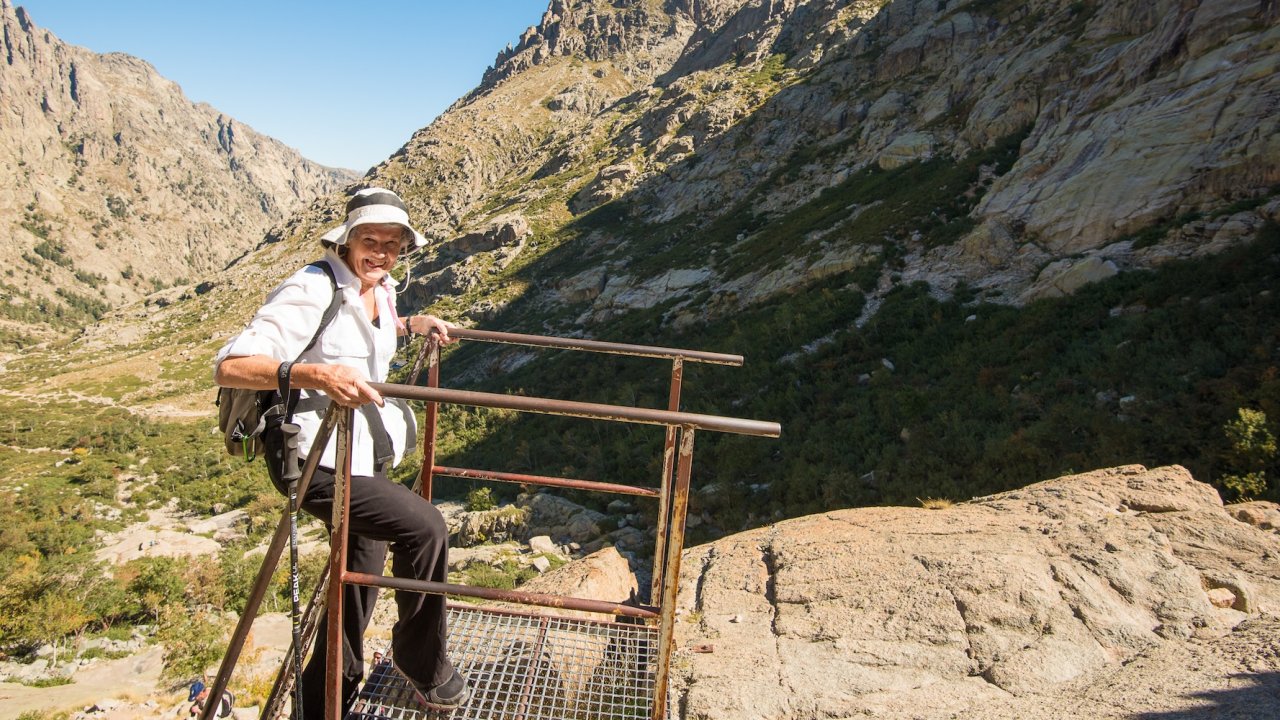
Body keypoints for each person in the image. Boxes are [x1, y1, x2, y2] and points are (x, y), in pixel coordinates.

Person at [213, 187, 468, 717]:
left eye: (392, 244)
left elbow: (366, 333)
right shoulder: (311, 287)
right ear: (347, 240)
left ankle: (323, 703)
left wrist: (411, 324)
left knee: (358, 586)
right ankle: (422, 663)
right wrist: (315, 376)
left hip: (360, 458)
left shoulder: (380, 287)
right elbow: (231, 365)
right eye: (370, 240)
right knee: (426, 528)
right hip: (315, 461)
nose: (381, 252)